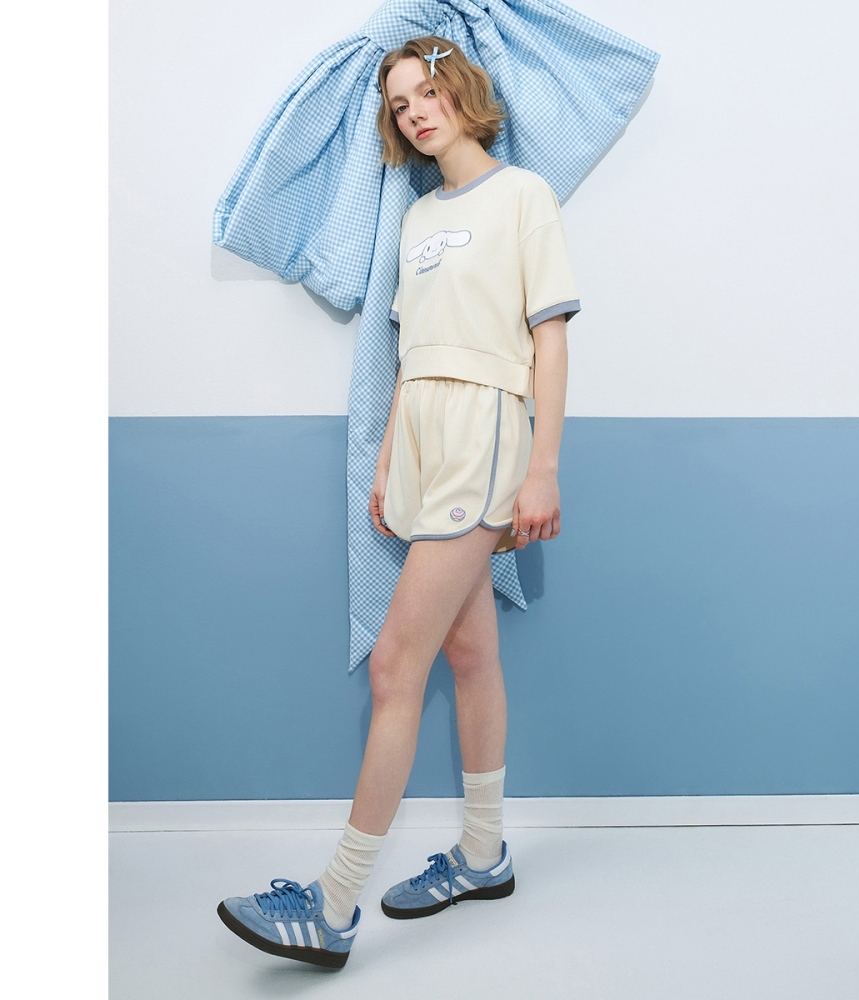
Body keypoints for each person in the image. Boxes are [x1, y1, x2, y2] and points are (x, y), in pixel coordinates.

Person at [216, 36, 579, 969]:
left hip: (485, 435)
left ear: (461, 92)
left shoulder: (523, 196)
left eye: (427, 92)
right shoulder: (416, 217)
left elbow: (549, 342)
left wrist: (542, 467)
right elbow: (412, 353)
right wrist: (386, 464)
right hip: (419, 440)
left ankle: (332, 905)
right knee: (469, 651)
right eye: (400, 102)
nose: (415, 111)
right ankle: (484, 854)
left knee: (393, 667)